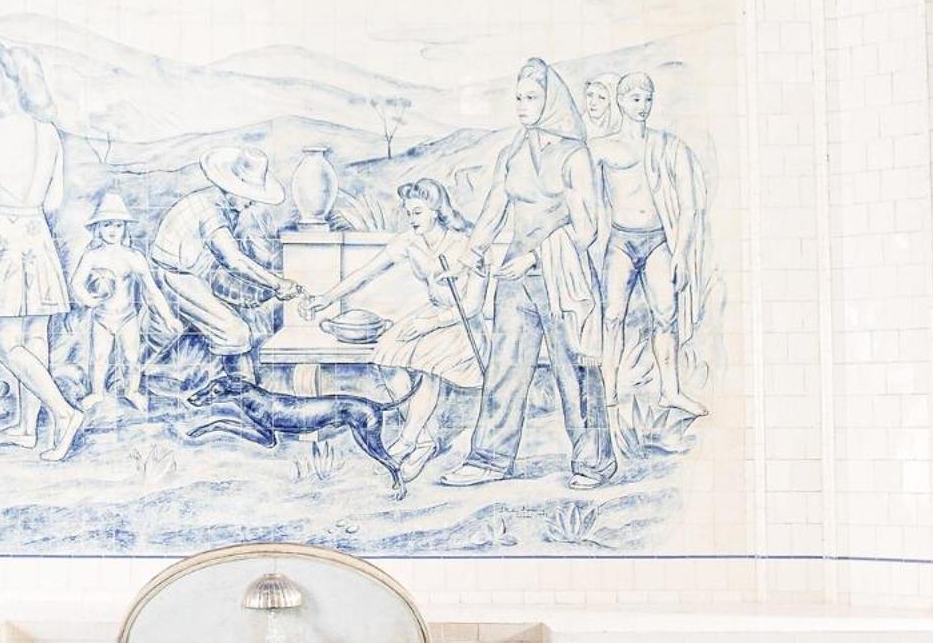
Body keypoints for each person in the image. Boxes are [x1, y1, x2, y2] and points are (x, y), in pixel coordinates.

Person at [438, 57, 614, 490]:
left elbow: (587, 229)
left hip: (563, 277)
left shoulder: (575, 156)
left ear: (551, 101)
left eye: (531, 98)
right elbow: (493, 210)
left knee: (575, 371)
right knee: (504, 367)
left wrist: (534, 258)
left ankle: (593, 462)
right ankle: (489, 458)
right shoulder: (514, 153)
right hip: (514, 279)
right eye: (518, 98)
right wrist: (470, 254)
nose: (522, 106)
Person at [0, 43, 86, 462]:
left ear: (1, 82)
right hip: (38, 236)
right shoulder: (48, 134)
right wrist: (25, 212)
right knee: (34, 336)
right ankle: (27, 428)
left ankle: (63, 413)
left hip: (4, 239)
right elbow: (54, 201)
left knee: (3, 341)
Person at [303, 177, 483, 481]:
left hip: (460, 323)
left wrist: (430, 323)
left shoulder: (464, 245)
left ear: (436, 211)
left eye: (418, 212)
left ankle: (410, 439)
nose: (411, 219)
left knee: (427, 363)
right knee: (387, 356)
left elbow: (472, 305)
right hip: (430, 315)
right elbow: (365, 273)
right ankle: (424, 439)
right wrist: (326, 299)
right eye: (409, 212)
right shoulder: (409, 242)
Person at [585, 71, 712, 416]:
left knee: (666, 316)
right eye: (635, 98)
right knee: (612, 316)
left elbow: (689, 205)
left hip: (657, 241)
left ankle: (670, 391)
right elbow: (586, 199)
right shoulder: (600, 148)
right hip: (620, 241)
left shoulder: (668, 146)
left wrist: (681, 252)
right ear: (620, 101)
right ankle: (608, 392)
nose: (643, 106)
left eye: (648, 99)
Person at [150, 147, 304, 376]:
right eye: (248, 196)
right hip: (174, 275)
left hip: (192, 271)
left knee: (240, 311)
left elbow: (220, 264)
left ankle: (237, 383)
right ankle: (241, 386)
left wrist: (263, 290)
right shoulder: (211, 210)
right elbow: (234, 261)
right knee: (235, 331)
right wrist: (277, 283)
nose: (251, 203)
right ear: (232, 188)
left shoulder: (215, 202)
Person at [67, 192, 181, 412]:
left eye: (118, 225)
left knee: (132, 358)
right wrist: (88, 300)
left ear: (125, 228)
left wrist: (168, 317)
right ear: (98, 228)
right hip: (102, 318)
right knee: (99, 357)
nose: (112, 230)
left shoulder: (133, 257)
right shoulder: (91, 256)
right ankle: (96, 393)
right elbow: (76, 283)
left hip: (128, 317)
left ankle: (132, 391)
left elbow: (152, 290)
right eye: (107, 224)